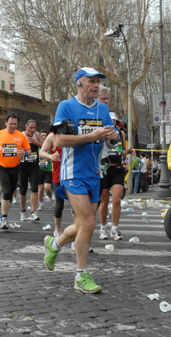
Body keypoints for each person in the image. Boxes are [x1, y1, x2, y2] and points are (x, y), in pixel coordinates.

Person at [43, 67, 118, 294]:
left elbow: (111, 140)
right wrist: (91, 136)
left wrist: (114, 138)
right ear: (78, 83)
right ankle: (81, 276)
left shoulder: (102, 109)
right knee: (88, 223)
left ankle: (53, 244)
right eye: (90, 82)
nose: (95, 86)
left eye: (97, 82)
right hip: (72, 173)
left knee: (80, 226)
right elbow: (62, 141)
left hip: (94, 174)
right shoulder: (66, 107)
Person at [0, 113, 30, 229]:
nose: (13, 126)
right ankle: (4, 218)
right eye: (11, 124)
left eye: (15, 124)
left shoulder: (21, 136)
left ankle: (4, 216)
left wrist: (24, 153)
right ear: (5, 123)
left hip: (15, 167)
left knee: (10, 192)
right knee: (6, 191)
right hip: (2, 166)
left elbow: (29, 150)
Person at [99, 112, 128, 241]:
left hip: (117, 168)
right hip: (105, 167)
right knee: (104, 200)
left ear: (116, 122)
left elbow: (123, 150)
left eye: (114, 121)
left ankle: (115, 229)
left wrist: (129, 151)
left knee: (116, 199)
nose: (112, 123)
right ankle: (103, 227)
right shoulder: (102, 132)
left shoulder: (121, 133)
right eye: (110, 120)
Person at [39, 126, 64, 237]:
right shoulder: (53, 136)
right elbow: (42, 152)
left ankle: (78, 232)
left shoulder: (76, 133)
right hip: (58, 175)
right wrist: (51, 156)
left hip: (74, 175)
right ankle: (57, 229)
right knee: (59, 205)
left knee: (76, 206)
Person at [18, 119, 43, 221]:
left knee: (34, 187)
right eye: (31, 127)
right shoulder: (20, 135)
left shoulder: (37, 135)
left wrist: (35, 142)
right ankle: (23, 211)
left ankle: (33, 211)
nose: (32, 130)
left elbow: (45, 145)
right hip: (23, 165)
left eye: (34, 127)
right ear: (26, 127)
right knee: (23, 189)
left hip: (34, 165)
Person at [37, 131, 54, 211]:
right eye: (42, 135)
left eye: (45, 135)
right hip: (39, 170)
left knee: (47, 188)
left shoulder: (49, 146)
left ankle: (51, 199)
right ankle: (41, 204)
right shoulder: (37, 147)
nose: (43, 137)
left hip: (48, 169)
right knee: (40, 189)